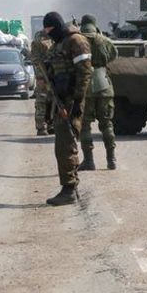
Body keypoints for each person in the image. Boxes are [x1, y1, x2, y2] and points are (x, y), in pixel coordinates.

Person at [42, 12, 92, 206]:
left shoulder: (76, 41)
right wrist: (48, 108)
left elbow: (85, 71)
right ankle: (68, 185)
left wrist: (78, 100)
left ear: (57, 26)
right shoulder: (58, 44)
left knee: (66, 144)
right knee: (62, 146)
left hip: (71, 101)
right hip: (60, 100)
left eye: (50, 30)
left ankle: (69, 189)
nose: (48, 34)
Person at [77, 14, 119, 171]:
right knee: (107, 123)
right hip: (103, 84)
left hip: (84, 85)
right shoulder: (104, 40)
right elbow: (114, 55)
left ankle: (89, 161)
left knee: (85, 125)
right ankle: (111, 160)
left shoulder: (77, 39)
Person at [30, 29, 54, 135]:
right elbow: (36, 60)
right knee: (42, 101)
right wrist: (40, 77)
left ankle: (51, 124)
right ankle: (41, 126)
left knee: (54, 101)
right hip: (44, 76)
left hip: (55, 75)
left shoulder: (57, 37)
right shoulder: (39, 38)